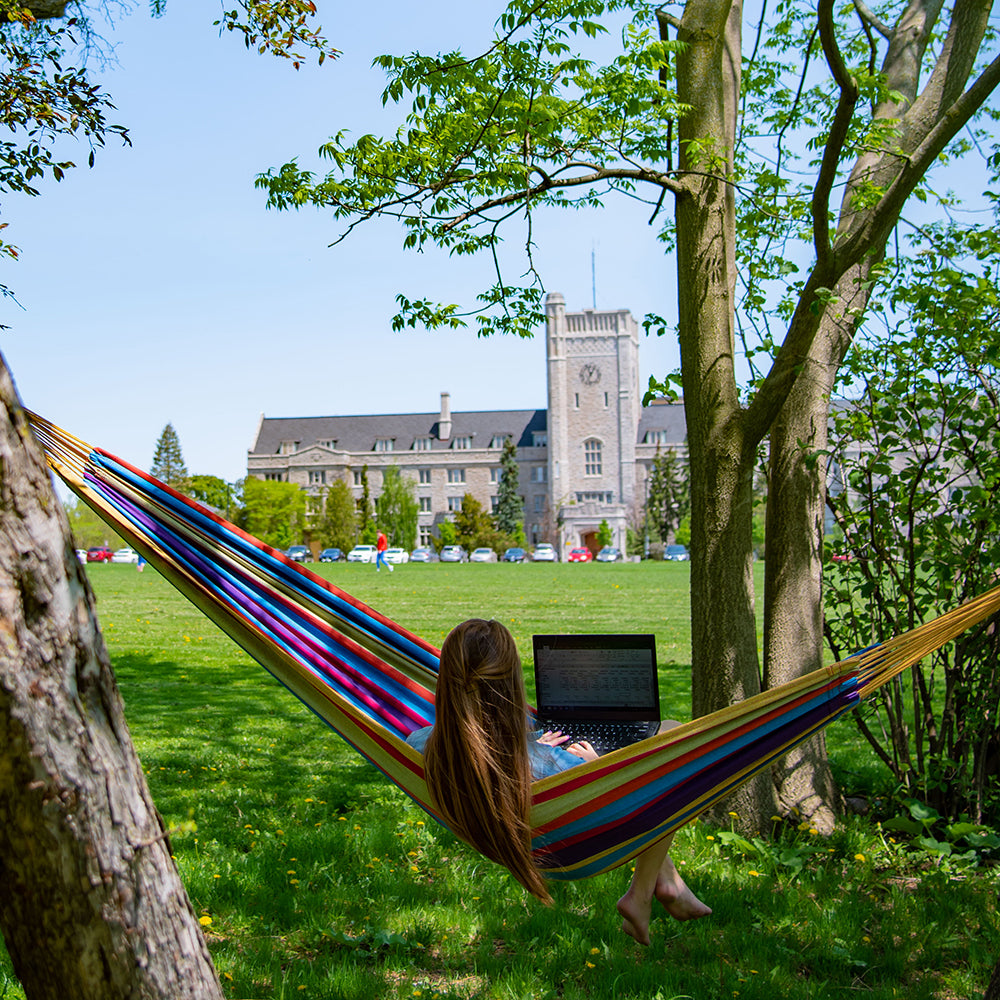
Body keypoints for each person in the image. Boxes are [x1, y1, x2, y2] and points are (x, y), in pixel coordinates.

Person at [406, 618, 711, 945]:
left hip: (504, 813)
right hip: (565, 838)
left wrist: (531, 742)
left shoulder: (421, 744)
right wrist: (596, 766)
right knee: (672, 746)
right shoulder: (556, 766)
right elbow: (619, 797)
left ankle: (666, 880)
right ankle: (643, 893)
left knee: (669, 731)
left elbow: (485, 745)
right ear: (511, 685)